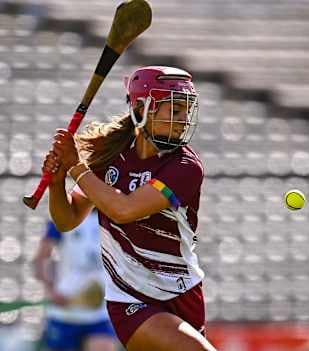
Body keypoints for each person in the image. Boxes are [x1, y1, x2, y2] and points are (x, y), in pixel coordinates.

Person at [42, 66, 217, 351]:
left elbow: (124, 210)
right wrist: (57, 181)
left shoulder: (185, 167)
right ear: (140, 108)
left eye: (186, 111)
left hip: (184, 293)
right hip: (131, 299)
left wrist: (76, 166)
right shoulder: (111, 157)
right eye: (173, 110)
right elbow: (67, 219)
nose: (182, 120)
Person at [34, 210, 117, 351]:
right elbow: (41, 258)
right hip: (66, 311)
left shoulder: (115, 216)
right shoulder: (62, 216)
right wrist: (50, 291)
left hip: (100, 312)